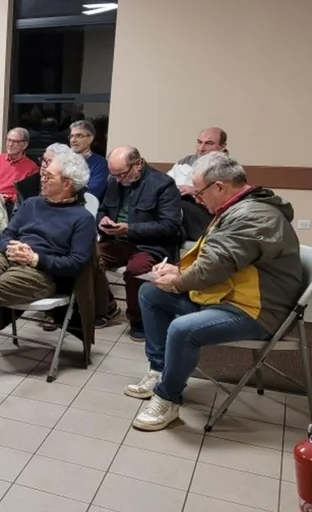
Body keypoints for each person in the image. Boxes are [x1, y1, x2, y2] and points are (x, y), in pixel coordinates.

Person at [125, 152, 302, 431]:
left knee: (183, 329)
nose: (197, 199)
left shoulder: (254, 216)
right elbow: (214, 259)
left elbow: (214, 267)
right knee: (151, 294)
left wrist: (178, 280)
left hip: (255, 310)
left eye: (199, 193)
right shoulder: (239, 208)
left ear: (219, 187)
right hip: (225, 296)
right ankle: (159, 370)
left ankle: (167, 398)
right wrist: (177, 271)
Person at [0, 151, 96, 386]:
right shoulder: (32, 204)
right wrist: (11, 248)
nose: (42, 179)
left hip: (43, 274)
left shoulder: (82, 219)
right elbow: (7, 234)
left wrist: (35, 259)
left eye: (48, 177)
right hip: (11, 259)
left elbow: (75, 263)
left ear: (67, 183)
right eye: (43, 175)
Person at [94, 147, 181, 340]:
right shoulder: (113, 181)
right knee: (87, 256)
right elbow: (103, 209)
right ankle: (106, 307)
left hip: (149, 245)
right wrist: (102, 220)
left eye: (122, 174)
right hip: (116, 241)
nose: (118, 180)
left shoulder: (163, 184)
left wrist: (130, 228)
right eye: (113, 174)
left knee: (136, 270)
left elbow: (170, 226)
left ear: (138, 164)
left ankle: (138, 320)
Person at [0, 128, 39, 218]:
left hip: (10, 205)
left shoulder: (32, 167)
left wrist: (8, 197)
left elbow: (25, 196)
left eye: (15, 141)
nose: (10, 144)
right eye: (8, 140)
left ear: (24, 145)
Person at [68, 120, 110, 201]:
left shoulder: (100, 164)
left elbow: (92, 192)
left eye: (79, 136)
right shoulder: (62, 160)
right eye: (71, 136)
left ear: (90, 139)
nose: (73, 140)